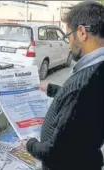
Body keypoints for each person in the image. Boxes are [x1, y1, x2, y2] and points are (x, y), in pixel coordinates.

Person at [23, 2, 104, 170]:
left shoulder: (87, 79)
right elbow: (84, 104)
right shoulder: (95, 72)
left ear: (81, 33)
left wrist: (29, 144)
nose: (68, 44)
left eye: (69, 36)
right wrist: (52, 89)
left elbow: (56, 151)